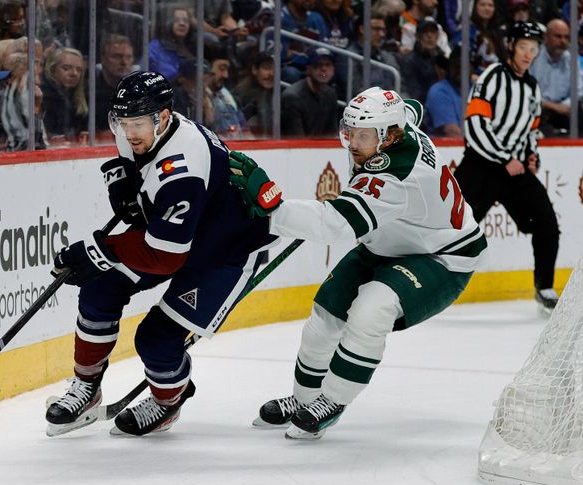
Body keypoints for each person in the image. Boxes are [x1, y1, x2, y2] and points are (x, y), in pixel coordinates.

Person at [226, 86, 487, 439]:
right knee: (324, 316)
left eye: (362, 136)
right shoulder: (399, 126)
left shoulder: (395, 173)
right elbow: (412, 108)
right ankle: (304, 399)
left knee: (370, 309)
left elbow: (335, 224)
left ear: (390, 138)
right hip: (389, 240)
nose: (351, 143)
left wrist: (271, 206)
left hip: (442, 254)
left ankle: (332, 401)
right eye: (349, 132)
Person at [44, 71, 277, 437]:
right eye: (122, 122)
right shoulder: (143, 130)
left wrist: (98, 250)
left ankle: (169, 400)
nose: (129, 131)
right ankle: (87, 389)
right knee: (99, 289)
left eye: (137, 123)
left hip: (222, 250)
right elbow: (134, 169)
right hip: (178, 233)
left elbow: (164, 255)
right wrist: (121, 178)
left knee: (156, 338)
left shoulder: (182, 167)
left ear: (163, 117)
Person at [455, 21, 560, 312]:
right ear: (511, 46)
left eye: (534, 49)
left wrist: (531, 156)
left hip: (515, 170)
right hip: (481, 166)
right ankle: (417, 281)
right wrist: (504, 157)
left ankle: (544, 286)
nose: (529, 54)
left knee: (547, 225)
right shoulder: (492, 76)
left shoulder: (532, 87)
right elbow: (475, 125)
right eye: (524, 47)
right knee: (450, 228)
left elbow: (532, 130)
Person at [529, 18, 583, 136]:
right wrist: (551, 105)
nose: (563, 41)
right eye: (558, 36)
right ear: (545, 37)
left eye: (566, 37)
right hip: (538, 109)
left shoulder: (571, 59)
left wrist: (566, 105)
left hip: (565, 110)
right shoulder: (532, 58)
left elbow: (578, 90)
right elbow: (527, 92)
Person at [280, 47, 339, 137]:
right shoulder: (292, 97)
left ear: (333, 70)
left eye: (328, 65)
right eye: (318, 65)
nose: (324, 69)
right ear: (308, 69)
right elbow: (296, 139)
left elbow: (332, 134)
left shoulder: (330, 94)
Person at [425, 46, 463, 136]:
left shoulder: (474, 88)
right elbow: (452, 132)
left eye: (464, 66)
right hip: (443, 148)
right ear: (449, 68)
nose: (460, 70)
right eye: (456, 66)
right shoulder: (439, 91)